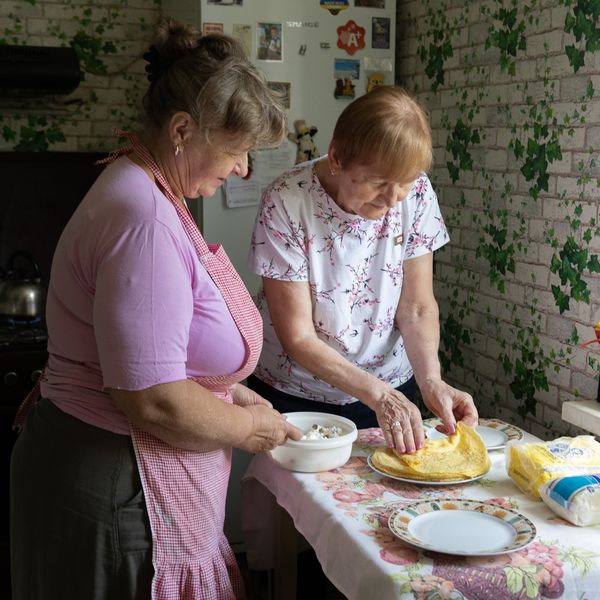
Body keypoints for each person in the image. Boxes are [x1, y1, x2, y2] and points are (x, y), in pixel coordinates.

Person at [10, 17, 301, 600]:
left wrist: (233, 393)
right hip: (113, 484)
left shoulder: (143, 184)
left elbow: (165, 348)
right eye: (237, 150)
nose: (243, 169)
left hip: (105, 470)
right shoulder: (143, 218)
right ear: (182, 129)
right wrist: (248, 429)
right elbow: (154, 397)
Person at [247, 85, 478, 455]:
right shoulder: (286, 200)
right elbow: (298, 336)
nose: (391, 200)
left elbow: (417, 308)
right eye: (378, 182)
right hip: (297, 392)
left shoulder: (416, 194)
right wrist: (379, 394)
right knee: (289, 505)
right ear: (337, 157)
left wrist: (431, 380)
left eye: (403, 184)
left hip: (389, 388)